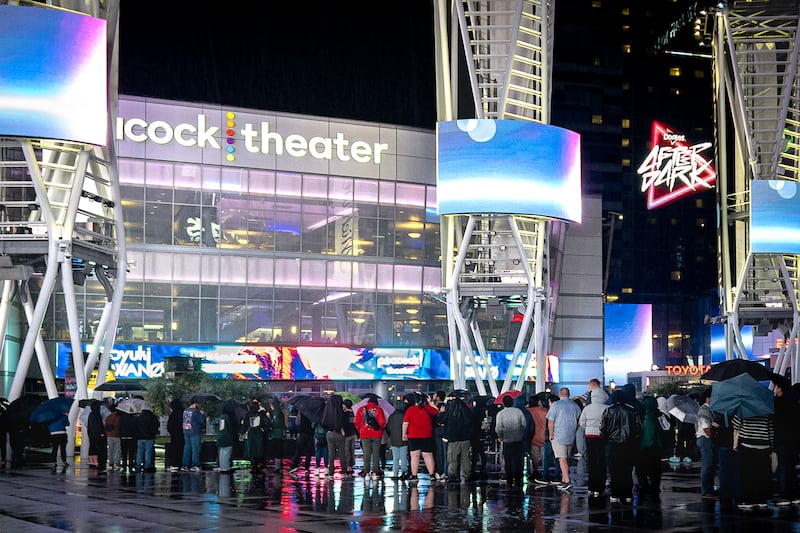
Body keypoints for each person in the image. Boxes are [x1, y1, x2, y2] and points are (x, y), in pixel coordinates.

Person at [600, 389, 642, 504]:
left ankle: (615, 493)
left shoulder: (608, 411)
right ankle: (627, 493)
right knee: (627, 470)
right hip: (628, 444)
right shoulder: (631, 410)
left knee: (614, 470)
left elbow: (603, 428)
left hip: (613, 444)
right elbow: (638, 428)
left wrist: (606, 440)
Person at [731, 413, 774, 511]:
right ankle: (761, 500)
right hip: (764, 445)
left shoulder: (744, 408)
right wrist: (771, 445)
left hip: (747, 445)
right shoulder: (766, 410)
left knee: (748, 475)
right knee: (761, 474)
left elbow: (735, 425)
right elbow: (770, 429)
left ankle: (748, 500)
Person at [546, 387, 581, 490]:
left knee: (562, 458)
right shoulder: (575, 406)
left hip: (558, 434)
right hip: (570, 434)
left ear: (559, 394)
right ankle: (564, 478)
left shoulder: (555, 405)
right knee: (566, 457)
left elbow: (551, 421)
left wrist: (551, 434)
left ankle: (566, 480)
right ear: (569, 394)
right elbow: (579, 420)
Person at [772, 378, 800, 505]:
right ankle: (793, 494)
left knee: (783, 467)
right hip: (793, 441)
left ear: (780, 389)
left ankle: (785, 494)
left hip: (782, 440)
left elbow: (775, 422)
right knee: (790, 468)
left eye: (776, 387)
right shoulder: (794, 403)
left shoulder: (778, 404)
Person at [638, 394, 670, 502]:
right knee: (656, 468)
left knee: (642, 469)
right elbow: (667, 428)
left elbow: (647, 434)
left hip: (645, 447)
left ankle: (645, 487)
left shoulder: (644, 417)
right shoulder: (660, 415)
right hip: (658, 446)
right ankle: (655, 487)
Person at [578, 385, 609, 497]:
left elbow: (582, 422)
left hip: (589, 436)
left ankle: (592, 486)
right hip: (601, 436)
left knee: (591, 461)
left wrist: (587, 428)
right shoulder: (606, 408)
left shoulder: (587, 408)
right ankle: (600, 486)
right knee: (601, 461)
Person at [402, 392, 439, 484]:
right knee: (428, 455)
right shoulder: (427, 408)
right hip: (427, 435)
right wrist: (430, 403)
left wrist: (404, 433)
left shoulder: (410, 409)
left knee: (414, 456)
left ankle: (414, 476)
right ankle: (431, 475)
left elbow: (405, 423)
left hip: (413, 435)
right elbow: (437, 411)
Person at [495, 394, 527, 489]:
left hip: (507, 440)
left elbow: (498, 428)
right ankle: (518, 480)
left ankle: (509, 480)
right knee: (518, 460)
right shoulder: (518, 412)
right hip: (518, 440)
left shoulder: (500, 414)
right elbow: (524, 424)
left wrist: (500, 436)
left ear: (503, 403)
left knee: (508, 461)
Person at [442, 391, 473, 484]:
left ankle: (452, 475)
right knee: (465, 458)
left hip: (453, 437)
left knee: (453, 458)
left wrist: (441, 413)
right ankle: (467, 475)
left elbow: (443, 420)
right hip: (465, 437)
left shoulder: (449, 408)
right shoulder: (467, 409)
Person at [355, 394, 387, 480]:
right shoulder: (379, 410)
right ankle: (375, 473)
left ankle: (366, 473)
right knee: (376, 454)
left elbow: (357, 422)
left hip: (364, 434)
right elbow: (382, 422)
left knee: (366, 454)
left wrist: (361, 429)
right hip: (377, 434)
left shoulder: (361, 409)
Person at [695, 387, 716, 499]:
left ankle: (709, 490)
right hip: (705, 439)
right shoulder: (704, 411)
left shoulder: (708, 410)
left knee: (710, 465)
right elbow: (706, 430)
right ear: (708, 399)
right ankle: (706, 491)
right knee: (708, 465)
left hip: (705, 439)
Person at [322, 393, 348, 478]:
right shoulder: (341, 410)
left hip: (329, 434)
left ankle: (331, 471)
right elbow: (343, 422)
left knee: (331, 453)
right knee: (342, 453)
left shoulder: (327, 410)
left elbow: (323, 423)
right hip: (339, 433)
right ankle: (344, 471)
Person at [385, 396, 410, 480]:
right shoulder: (405, 416)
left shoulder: (391, 416)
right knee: (403, 457)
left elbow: (388, 428)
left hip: (394, 439)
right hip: (404, 439)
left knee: (395, 457)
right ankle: (404, 472)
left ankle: (395, 473)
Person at [241, 399, 268, 475]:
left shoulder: (248, 414)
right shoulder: (260, 414)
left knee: (251, 451)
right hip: (259, 435)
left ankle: (253, 466)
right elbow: (265, 423)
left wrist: (241, 433)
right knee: (258, 451)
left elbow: (245, 425)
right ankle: (257, 466)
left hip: (251, 435)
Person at [181, 399, 206, 472]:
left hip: (186, 431)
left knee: (187, 448)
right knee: (195, 449)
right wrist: (202, 414)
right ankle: (195, 465)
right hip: (195, 432)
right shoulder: (196, 411)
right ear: (195, 404)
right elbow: (201, 420)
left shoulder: (185, 411)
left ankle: (185, 465)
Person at [288, 409, 314, 477]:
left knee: (298, 450)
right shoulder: (313, 413)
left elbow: (297, 422)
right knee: (308, 452)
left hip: (302, 433)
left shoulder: (302, 411)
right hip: (310, 434)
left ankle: (295, 466)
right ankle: (307, 468)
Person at [135, 403, 160, 472]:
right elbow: (156, 425)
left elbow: (135, 427)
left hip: (140, 437)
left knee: (139, 451)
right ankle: (147, 465)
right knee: (148, 451)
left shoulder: (138, 417)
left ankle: (138, 465)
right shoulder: (153, 417)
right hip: (149, 437)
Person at [527, 395, 547, 482]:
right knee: (545, 457)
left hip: (533, 437)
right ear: (538, 402)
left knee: (534, 457)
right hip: (544, 436)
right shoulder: (545, 411)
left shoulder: (528, 411)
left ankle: (535, 471)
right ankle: (545, 473)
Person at [216, 400, 239, 474]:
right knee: (227, 452)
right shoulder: (229, 417)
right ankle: (225, 467)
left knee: (222, 452)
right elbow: (232, 428)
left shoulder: (222, 416)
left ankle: (223, 467)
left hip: (221, 436)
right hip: (227, 437)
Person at [265, 396, 287, 469]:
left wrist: (269, 419)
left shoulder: (277, 413)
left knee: (277, 450)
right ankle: (279, 465)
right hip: (278, 434)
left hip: (277, 435)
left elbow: (275, 423)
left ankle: (277, 466)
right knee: (278, 450)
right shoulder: (277, 413)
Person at [86, 399, 107, 473]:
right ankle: (98, 462)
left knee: (92, 449)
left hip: (92, 436)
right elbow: (98, 426)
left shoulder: (91, 414)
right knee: (99, 449)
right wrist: (101, 434)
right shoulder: (96, 415)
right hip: (97, 436)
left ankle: (93, 462)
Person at [432, 390, 448, 481]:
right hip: (445, 430)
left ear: (438, 397)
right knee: (445, 451)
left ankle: (440, 470)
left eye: (434, 395)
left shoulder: (435, 407)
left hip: (437, 429)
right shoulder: (447, 406)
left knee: (438, 451)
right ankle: (445, 471)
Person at [166, 399, 184, 472]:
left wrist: (172, 432)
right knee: (183, 449)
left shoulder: (173, 415)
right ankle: (183, 463)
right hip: (183, 434)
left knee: (175, 450)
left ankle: (175, 464)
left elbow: (169, 426)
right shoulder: (184, 412)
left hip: (175, 435)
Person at [118, 408, 137, 473]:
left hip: (123, 437)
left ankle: (124, 463)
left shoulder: (121, 418)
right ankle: (131, 463)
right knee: (131, 452)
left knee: (124, 452)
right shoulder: (134, 418)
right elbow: (135, 428)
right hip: (131, 437)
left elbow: (119, 427)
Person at [342, 399, 357, 476]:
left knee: (347, 450)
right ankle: (351, 465)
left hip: (347, 434)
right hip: (353, 434)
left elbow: (343, 424)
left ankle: (348, 465)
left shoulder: (344, 414)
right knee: (351, 450)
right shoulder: (354, 413)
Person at [104, 401, 121, 471]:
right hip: (117, 435)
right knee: (117, 450)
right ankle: (117, 463)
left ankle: (111, 462)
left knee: (110, 449)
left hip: (109, 435)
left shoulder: (108, 417)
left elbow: (105, 426)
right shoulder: (119, 417)